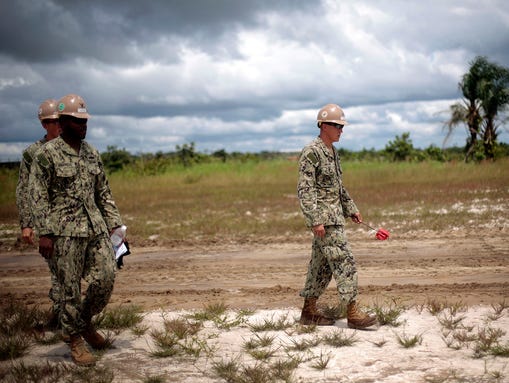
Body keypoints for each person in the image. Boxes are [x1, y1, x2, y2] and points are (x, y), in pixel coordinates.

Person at [29, 94, 124, 366]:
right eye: (78, 121)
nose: (84, 126)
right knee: (69, 289)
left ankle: (82, 323)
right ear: (64, 121)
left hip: (95, 229)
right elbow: (38, 196)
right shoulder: (46, 155)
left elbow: (103, 192)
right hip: (64, 232)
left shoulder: (92, 153)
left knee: (105, 277)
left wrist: (116, 226)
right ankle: (74, 339)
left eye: (85, 121)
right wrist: (45, 233)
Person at [296, 103, 377, 329]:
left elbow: (337, 187)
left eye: (342, 126)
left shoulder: (332, 151)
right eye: (338, 125)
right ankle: (353, 313)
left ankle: (309, 312)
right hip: (325, 222)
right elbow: (305, 189)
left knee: (320, 268)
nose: (342, 130)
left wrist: (351, 209)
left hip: (335, 219)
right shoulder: (312, 151)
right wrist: (315, 220)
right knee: (345, 262)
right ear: (323, 125)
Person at [15, 99, 63, 329]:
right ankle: (61, 317)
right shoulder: (32, 153)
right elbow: (24, 189)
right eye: (53, 122)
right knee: (58, 270)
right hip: (48, 222)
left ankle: (68, 315)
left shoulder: (73, 147)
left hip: (74, 220)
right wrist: (27, 223)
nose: (58, 125)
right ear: (44, 124)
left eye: (60, 121)